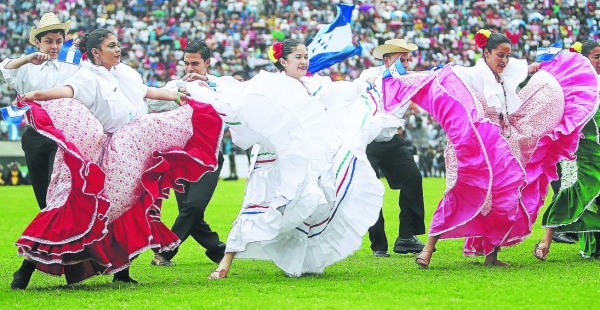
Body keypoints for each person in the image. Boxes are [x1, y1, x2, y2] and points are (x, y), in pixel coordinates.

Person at [11, 29, 223, 289]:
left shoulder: (125, 73)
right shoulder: (88, 77)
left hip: (127, 151)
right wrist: (36, 95)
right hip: (100, 154)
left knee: (131, 207)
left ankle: (122, 272)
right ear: (96, 53)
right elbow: (66, 90)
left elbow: (146, 91)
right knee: (72, 208)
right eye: (112, 45)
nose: (118, 49)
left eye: (118, 44)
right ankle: (25, 269)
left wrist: (177, 97)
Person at [382, 29, 598, 268]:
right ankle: (428, 250)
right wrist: (400, 74)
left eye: (507, 55)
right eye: (499, 55)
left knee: (504, 198)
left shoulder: (506, 75)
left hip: (499, 144)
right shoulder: (472, 73)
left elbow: (531, 68)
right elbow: (443, 77)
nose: (504, 60)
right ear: (486, 53)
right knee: (458, 192)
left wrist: (549, 64)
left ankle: (491, 256)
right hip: (473, 143)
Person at [186, 39, 384, 279]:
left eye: (306, 56)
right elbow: (239, 92)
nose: (304, 61)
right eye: (298, 57)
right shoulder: (270, 84)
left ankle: (302, 261)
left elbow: (343, 92)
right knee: (255, 204)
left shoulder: (312, 85)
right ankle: (224, 264)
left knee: (310, 202)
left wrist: (368, 82)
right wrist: (209, 81)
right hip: (270, 159)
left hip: (301, 160)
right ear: (283, 61)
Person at [147, 40, 226, 267]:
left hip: (210, 156)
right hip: (182, 157)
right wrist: (176, 96)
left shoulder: (217, 87)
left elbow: (235, 102)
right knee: (190, 211)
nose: (190, 69)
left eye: (195, 64)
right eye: (187, 64)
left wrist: (207, 85)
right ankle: (218, 250)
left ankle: (165, 252)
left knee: (194, 207)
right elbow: (153, 103)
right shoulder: (175, 85)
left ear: (207, 63)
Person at [0, 12, 79, 209]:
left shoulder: (72, 67)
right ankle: (51, 234)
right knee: (42, 197)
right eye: (48, 41)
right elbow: (4, 68)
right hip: (34, 133)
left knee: (59, 190)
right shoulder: (26, 67)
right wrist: (27, 59)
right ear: (37, 41)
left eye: (59, 41)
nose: (54, 46)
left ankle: (63, 232)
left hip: (63, 133)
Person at [358, 39, 425, 257]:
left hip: (391, 139)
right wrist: (384, 77)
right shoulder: (371, 75)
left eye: (407, 59)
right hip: (367, 142)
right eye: (400, 60)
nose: (405, 64)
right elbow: (366, 86)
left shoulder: (408, 80)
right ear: (387, 60)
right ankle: (378, 246)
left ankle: (406, 237)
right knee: (371, 189)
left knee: (413, 178)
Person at [536, 40, 600, 260]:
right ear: (583, 59)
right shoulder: (572, 86)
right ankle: (546, 241)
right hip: (578, 153)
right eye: (596, 57)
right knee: (569, 192)